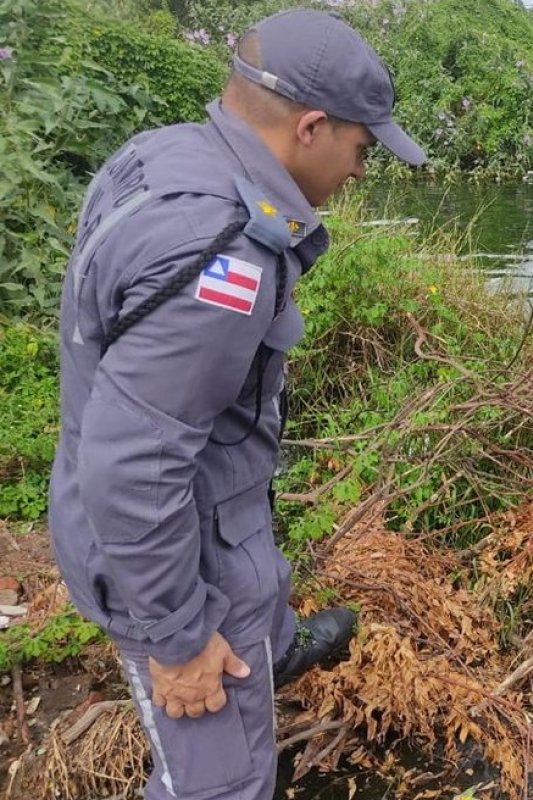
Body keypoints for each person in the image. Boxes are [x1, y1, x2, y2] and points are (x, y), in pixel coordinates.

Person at [47, 9, 425, 800]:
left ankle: (271, 639)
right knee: (221, 782)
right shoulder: (227, 251)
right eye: (362, 148)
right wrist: (181, 642)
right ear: (313, 126)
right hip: (171, 566)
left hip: (209, 525)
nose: (361, 169)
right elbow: (134, 467)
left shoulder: (170, 153)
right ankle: (229, 648)